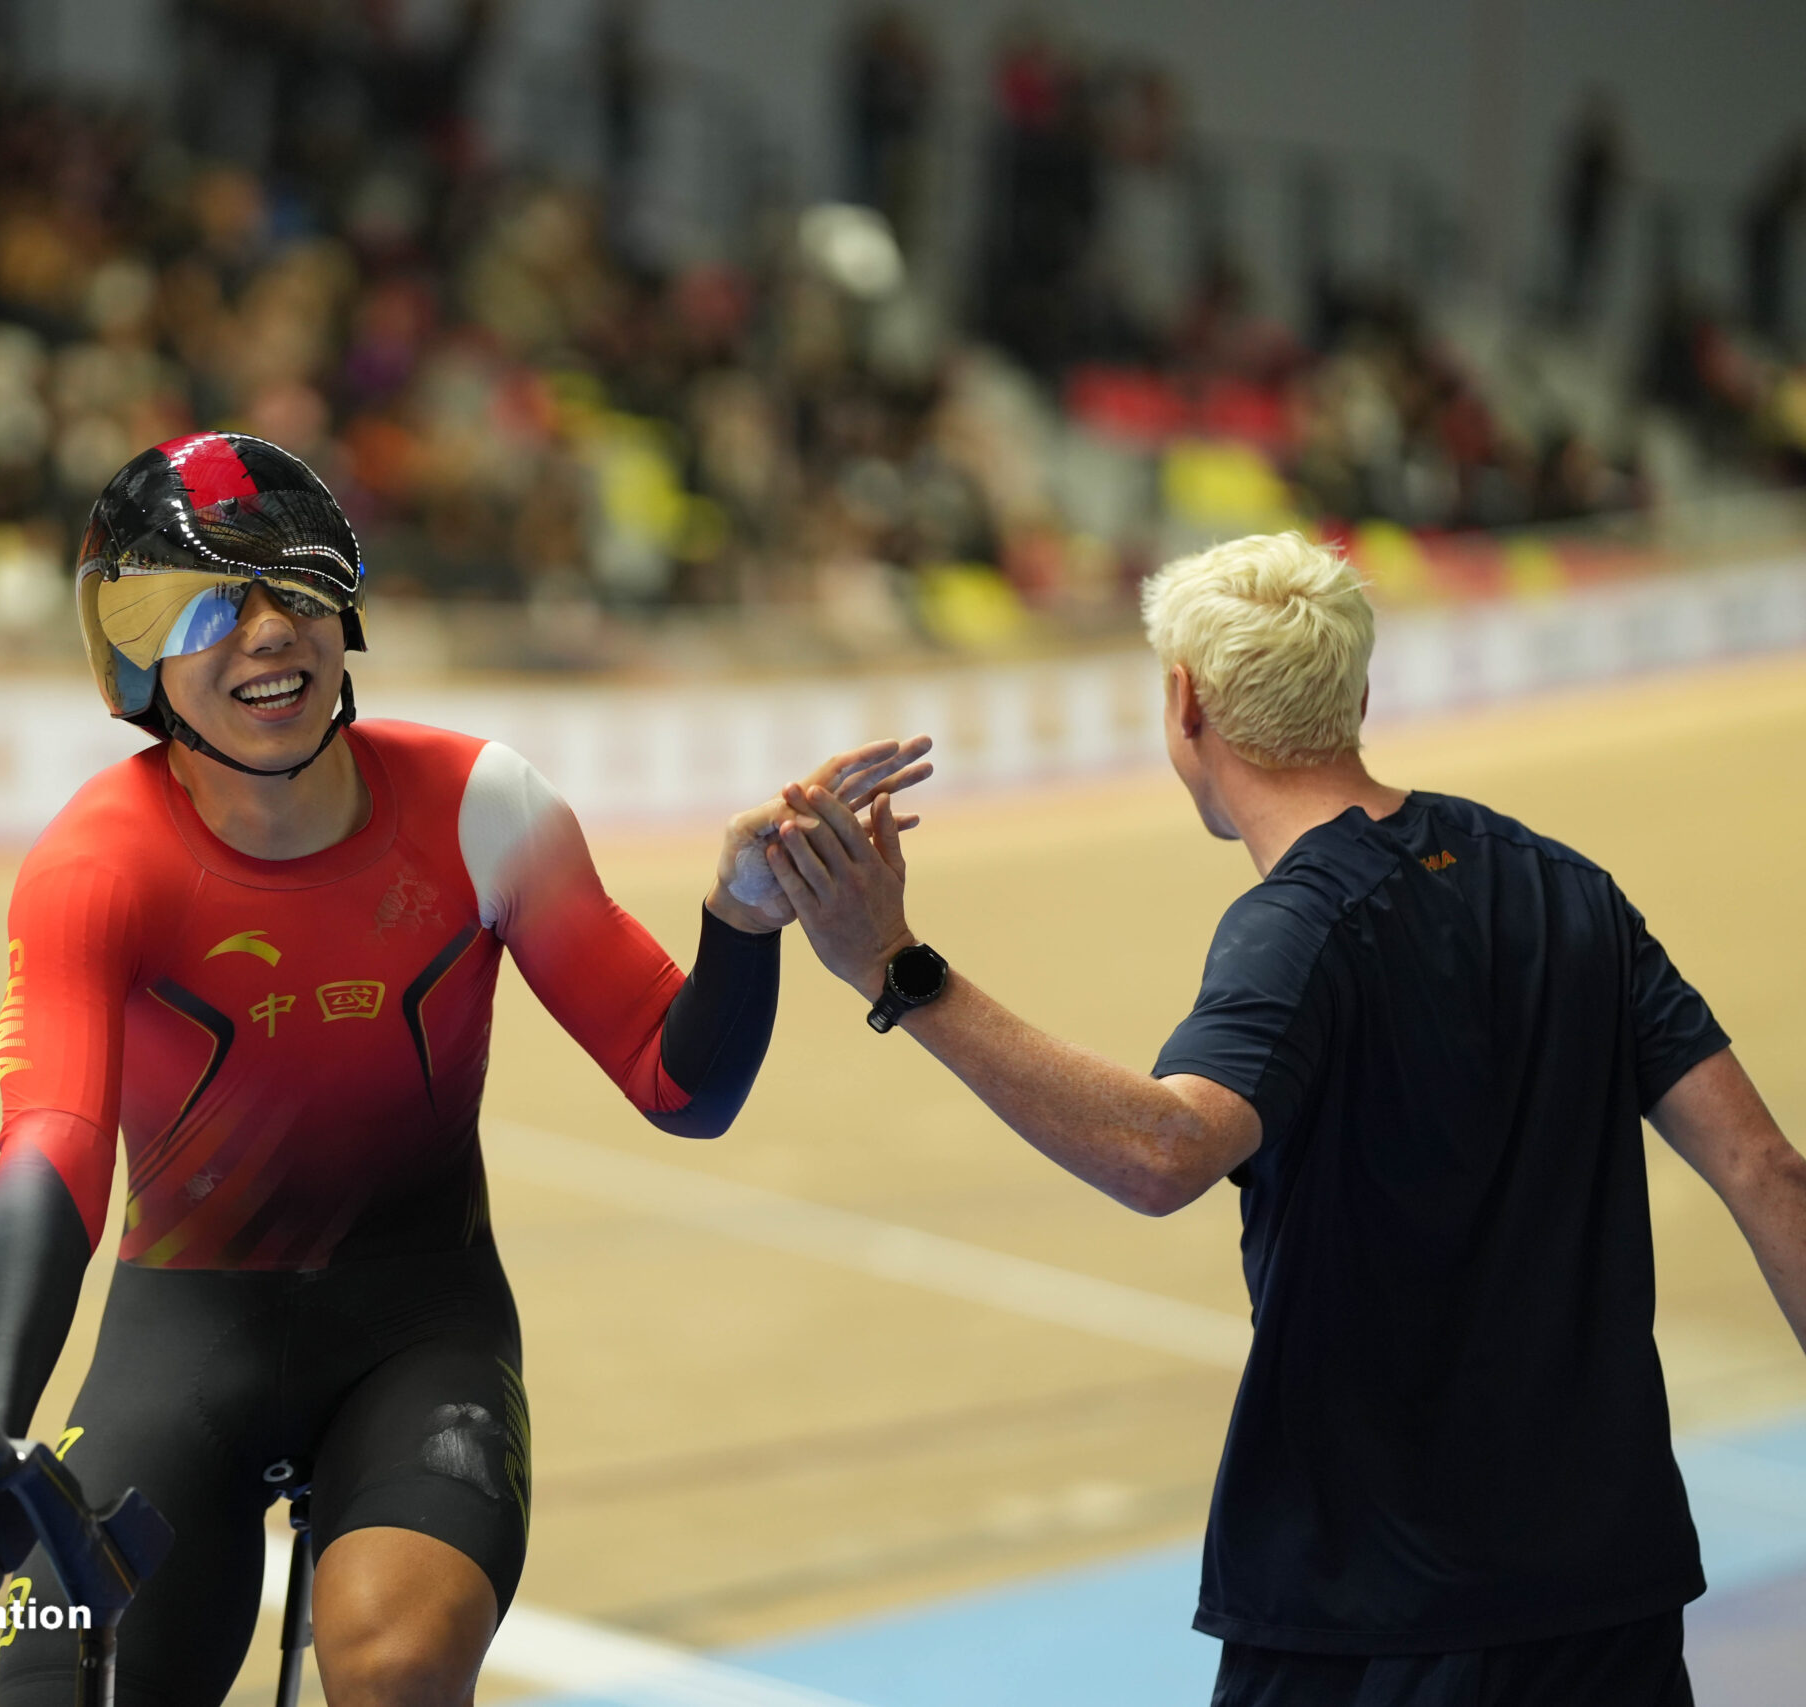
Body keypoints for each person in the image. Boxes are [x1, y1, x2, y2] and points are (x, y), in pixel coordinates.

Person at [0, 430, 931, 1707]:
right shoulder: (96, 864)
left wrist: (741, 924)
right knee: (56, 1688)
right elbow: (53, 1145)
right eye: (209, 603)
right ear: (132, 657)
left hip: (419, 1336)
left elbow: (681, 1089)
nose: (269, 634)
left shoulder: (484, 809)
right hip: (182, 1345)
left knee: (397, 1663)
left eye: (300, 589)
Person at [758, 530, 1806, 1706]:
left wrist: (897, 970)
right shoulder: (1567, 887)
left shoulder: (1299, 923)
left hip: (1374, 1614)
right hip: (1609, 1598)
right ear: (1356, 693)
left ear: (1184, 702)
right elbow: (1767, 1171)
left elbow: (1164, 1151)